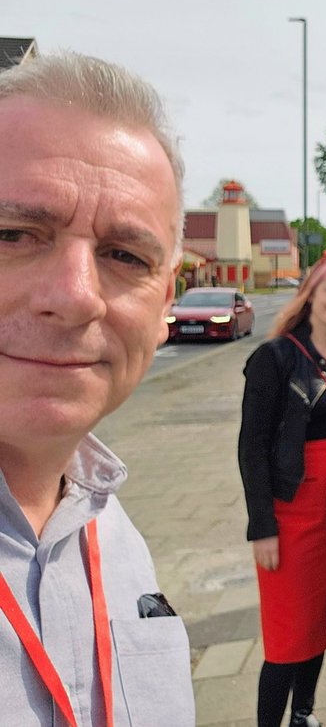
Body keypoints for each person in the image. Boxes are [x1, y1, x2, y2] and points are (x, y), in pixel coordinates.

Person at [0, 52, 195, 724]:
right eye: (14, 234)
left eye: (124, 256)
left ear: (165, 302)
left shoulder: (116, 538)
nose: (77, 297)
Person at [238, 251, 326, 727]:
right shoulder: (275, 357)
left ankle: (304, 713)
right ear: (312, 293)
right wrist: (262, 526)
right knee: (286, 636)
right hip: (291, 512)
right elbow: (252, 446)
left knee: (320, 623)